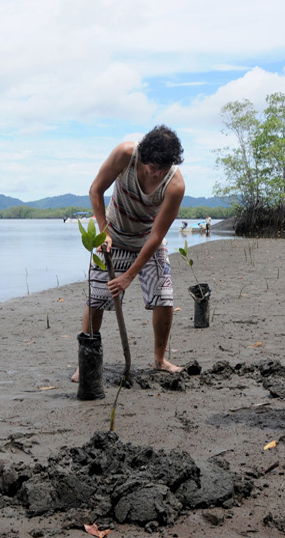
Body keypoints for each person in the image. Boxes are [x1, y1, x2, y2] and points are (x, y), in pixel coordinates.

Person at [71, 124, 186, 381]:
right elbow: (95, 190)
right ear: (143, 157)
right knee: (98, 298)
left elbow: (157, 235)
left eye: (162, 169)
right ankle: (86, 362)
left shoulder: (175, 184)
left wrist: (129, 276)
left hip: (148, 240)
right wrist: (104, 233)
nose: (157, 174)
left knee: (164, 296)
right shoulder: (126, 155)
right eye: (152, 167)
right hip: (113, 235)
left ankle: (159, 359)